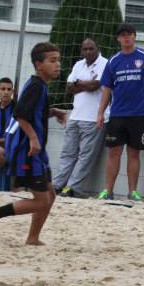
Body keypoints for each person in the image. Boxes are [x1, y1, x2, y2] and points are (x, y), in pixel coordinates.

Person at [0, 42, 66, 245]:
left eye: (58, 60)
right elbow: (20, 115)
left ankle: (33, 238)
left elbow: (33, 113)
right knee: (42, 200)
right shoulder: (36, 86)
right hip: (27, 152)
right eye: (52, 60)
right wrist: (34, 138)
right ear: (38, 64)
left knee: (50, 196)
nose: (58, 64)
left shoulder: (40, 85)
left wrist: (53, 112)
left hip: (37, 152)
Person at [96, 23, 144, 201]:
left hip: (139, 114)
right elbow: (106, 89)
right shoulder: (113, 61)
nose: (126, 37)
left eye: (129, 34)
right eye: (122, 35)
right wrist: (100, 113)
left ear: (135, 36)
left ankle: (133, 191)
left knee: (134, 153)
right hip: (117, 114)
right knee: (114, 153)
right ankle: (107, 191)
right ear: (118, 38)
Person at [54, 38, 108, 198]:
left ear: (98, 49)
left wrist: (79, 83)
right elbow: (69, 88)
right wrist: (86, 84)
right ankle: (57, 185)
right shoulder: (78, 65)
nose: (88, 52)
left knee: (85, 156)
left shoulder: (105, 64)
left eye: (91, 48)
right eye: (85, 49)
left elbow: (96, 85)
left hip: (93, 118)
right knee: (67, 153)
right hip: (75, 116)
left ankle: (72, 188)